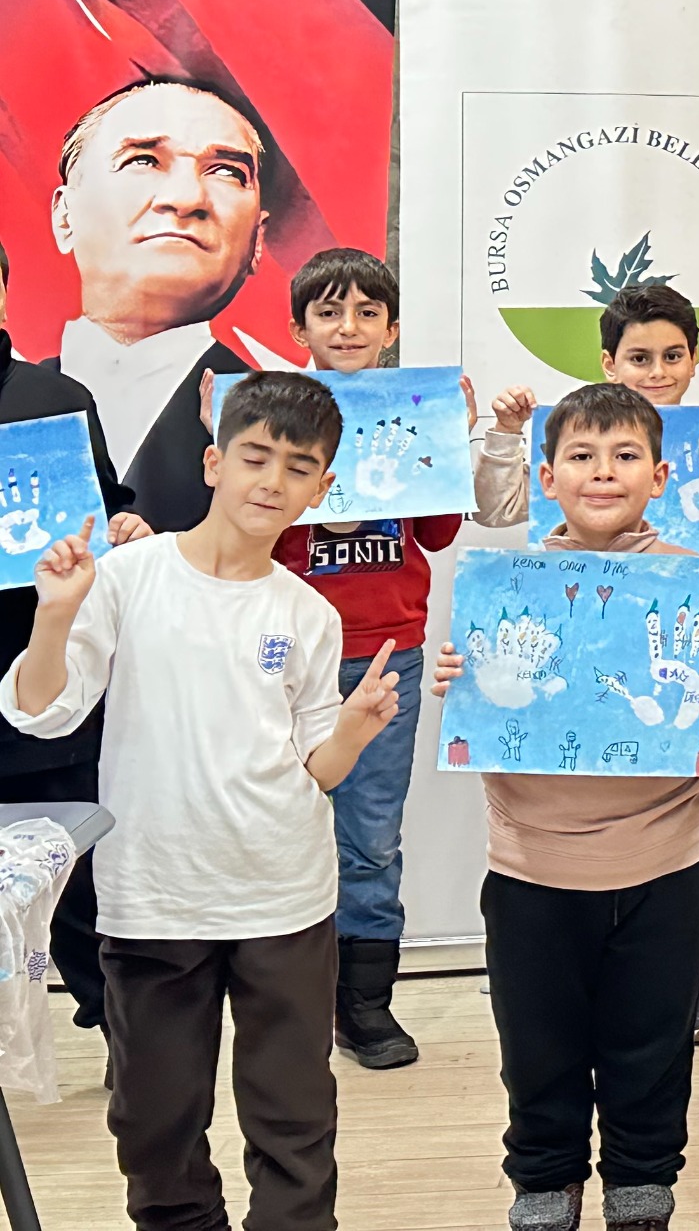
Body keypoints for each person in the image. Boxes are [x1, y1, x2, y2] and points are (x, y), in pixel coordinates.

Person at [3, 371, 402, 1231]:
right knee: (154, 1124)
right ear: (214, 462)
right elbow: (42, 712)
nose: (272, 481)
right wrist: (55, 614)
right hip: (154, 896)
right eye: (255, 456)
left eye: (299, 467)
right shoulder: (128, 578)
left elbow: (319, 769)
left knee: (294, 1118)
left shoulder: (308, 612)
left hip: (283, 896)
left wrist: (355, 729)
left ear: (323, 487)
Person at [433, 382, 699, 1231]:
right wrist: (461, 682)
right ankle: (544, 1176)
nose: (603, 472)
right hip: (531, 862)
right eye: (581, 456)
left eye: (625, 456)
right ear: (547, 477)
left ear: (660, 475)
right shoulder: (507, 591)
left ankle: (641, 1177)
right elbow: (486, 715)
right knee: (537, 1042)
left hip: (666, 860)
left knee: (650, 1041)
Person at [472, 279, 699, 1046]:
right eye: (639, 357)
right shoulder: (578, 441)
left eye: (673, 356)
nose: (657, 370)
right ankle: (584, 963)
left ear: (695, 360)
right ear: (609, 362)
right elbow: (497, 507)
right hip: (588, 668)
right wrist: (504, 435)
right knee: (588, 808)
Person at [270, 246, 463, 1072]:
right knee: (279, 823)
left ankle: (365, 1002)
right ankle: (287, 1000)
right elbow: (254, 528)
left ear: (391, 329)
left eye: (366, 313)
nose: (347, 327)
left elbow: (439, 533)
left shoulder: (413, 412)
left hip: (388, 657)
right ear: (300, 329)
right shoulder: (274, 415)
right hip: (287, 657)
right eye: (328, 312)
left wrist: (450, 442)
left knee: (372, 837)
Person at [0, 236, 145, 1037]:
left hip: (44, 677)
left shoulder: (54, 397)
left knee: (74, 881)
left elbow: (106, 506)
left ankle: (123, 1034)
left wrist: (123, 529)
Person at [45, 77, 269, 532]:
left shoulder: (279, 412)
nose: (186, 199)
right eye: (142, 160)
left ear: (257, 240)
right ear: (65, 217)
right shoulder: (16, 396)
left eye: (227, 171)